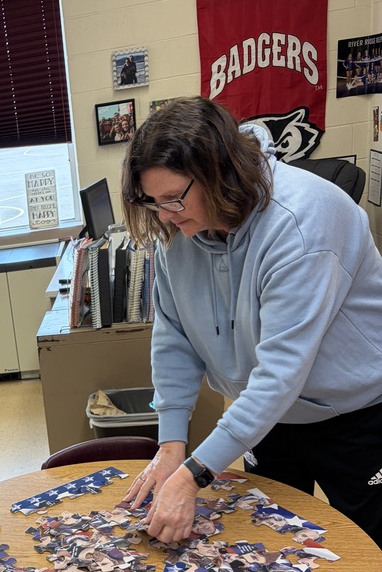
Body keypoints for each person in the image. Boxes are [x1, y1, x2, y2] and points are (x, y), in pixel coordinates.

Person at [120, 96, 382, 548]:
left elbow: (281, 372)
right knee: (271, 549)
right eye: (152, 201)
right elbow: (173, 336)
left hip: (354, 416)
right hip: (264, 418)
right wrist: (171, 444)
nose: (163, 215)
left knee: (370, 548)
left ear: (219, 174)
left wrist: (192, 477)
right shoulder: (178, 231)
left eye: (173, 199)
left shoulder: (302, 221)